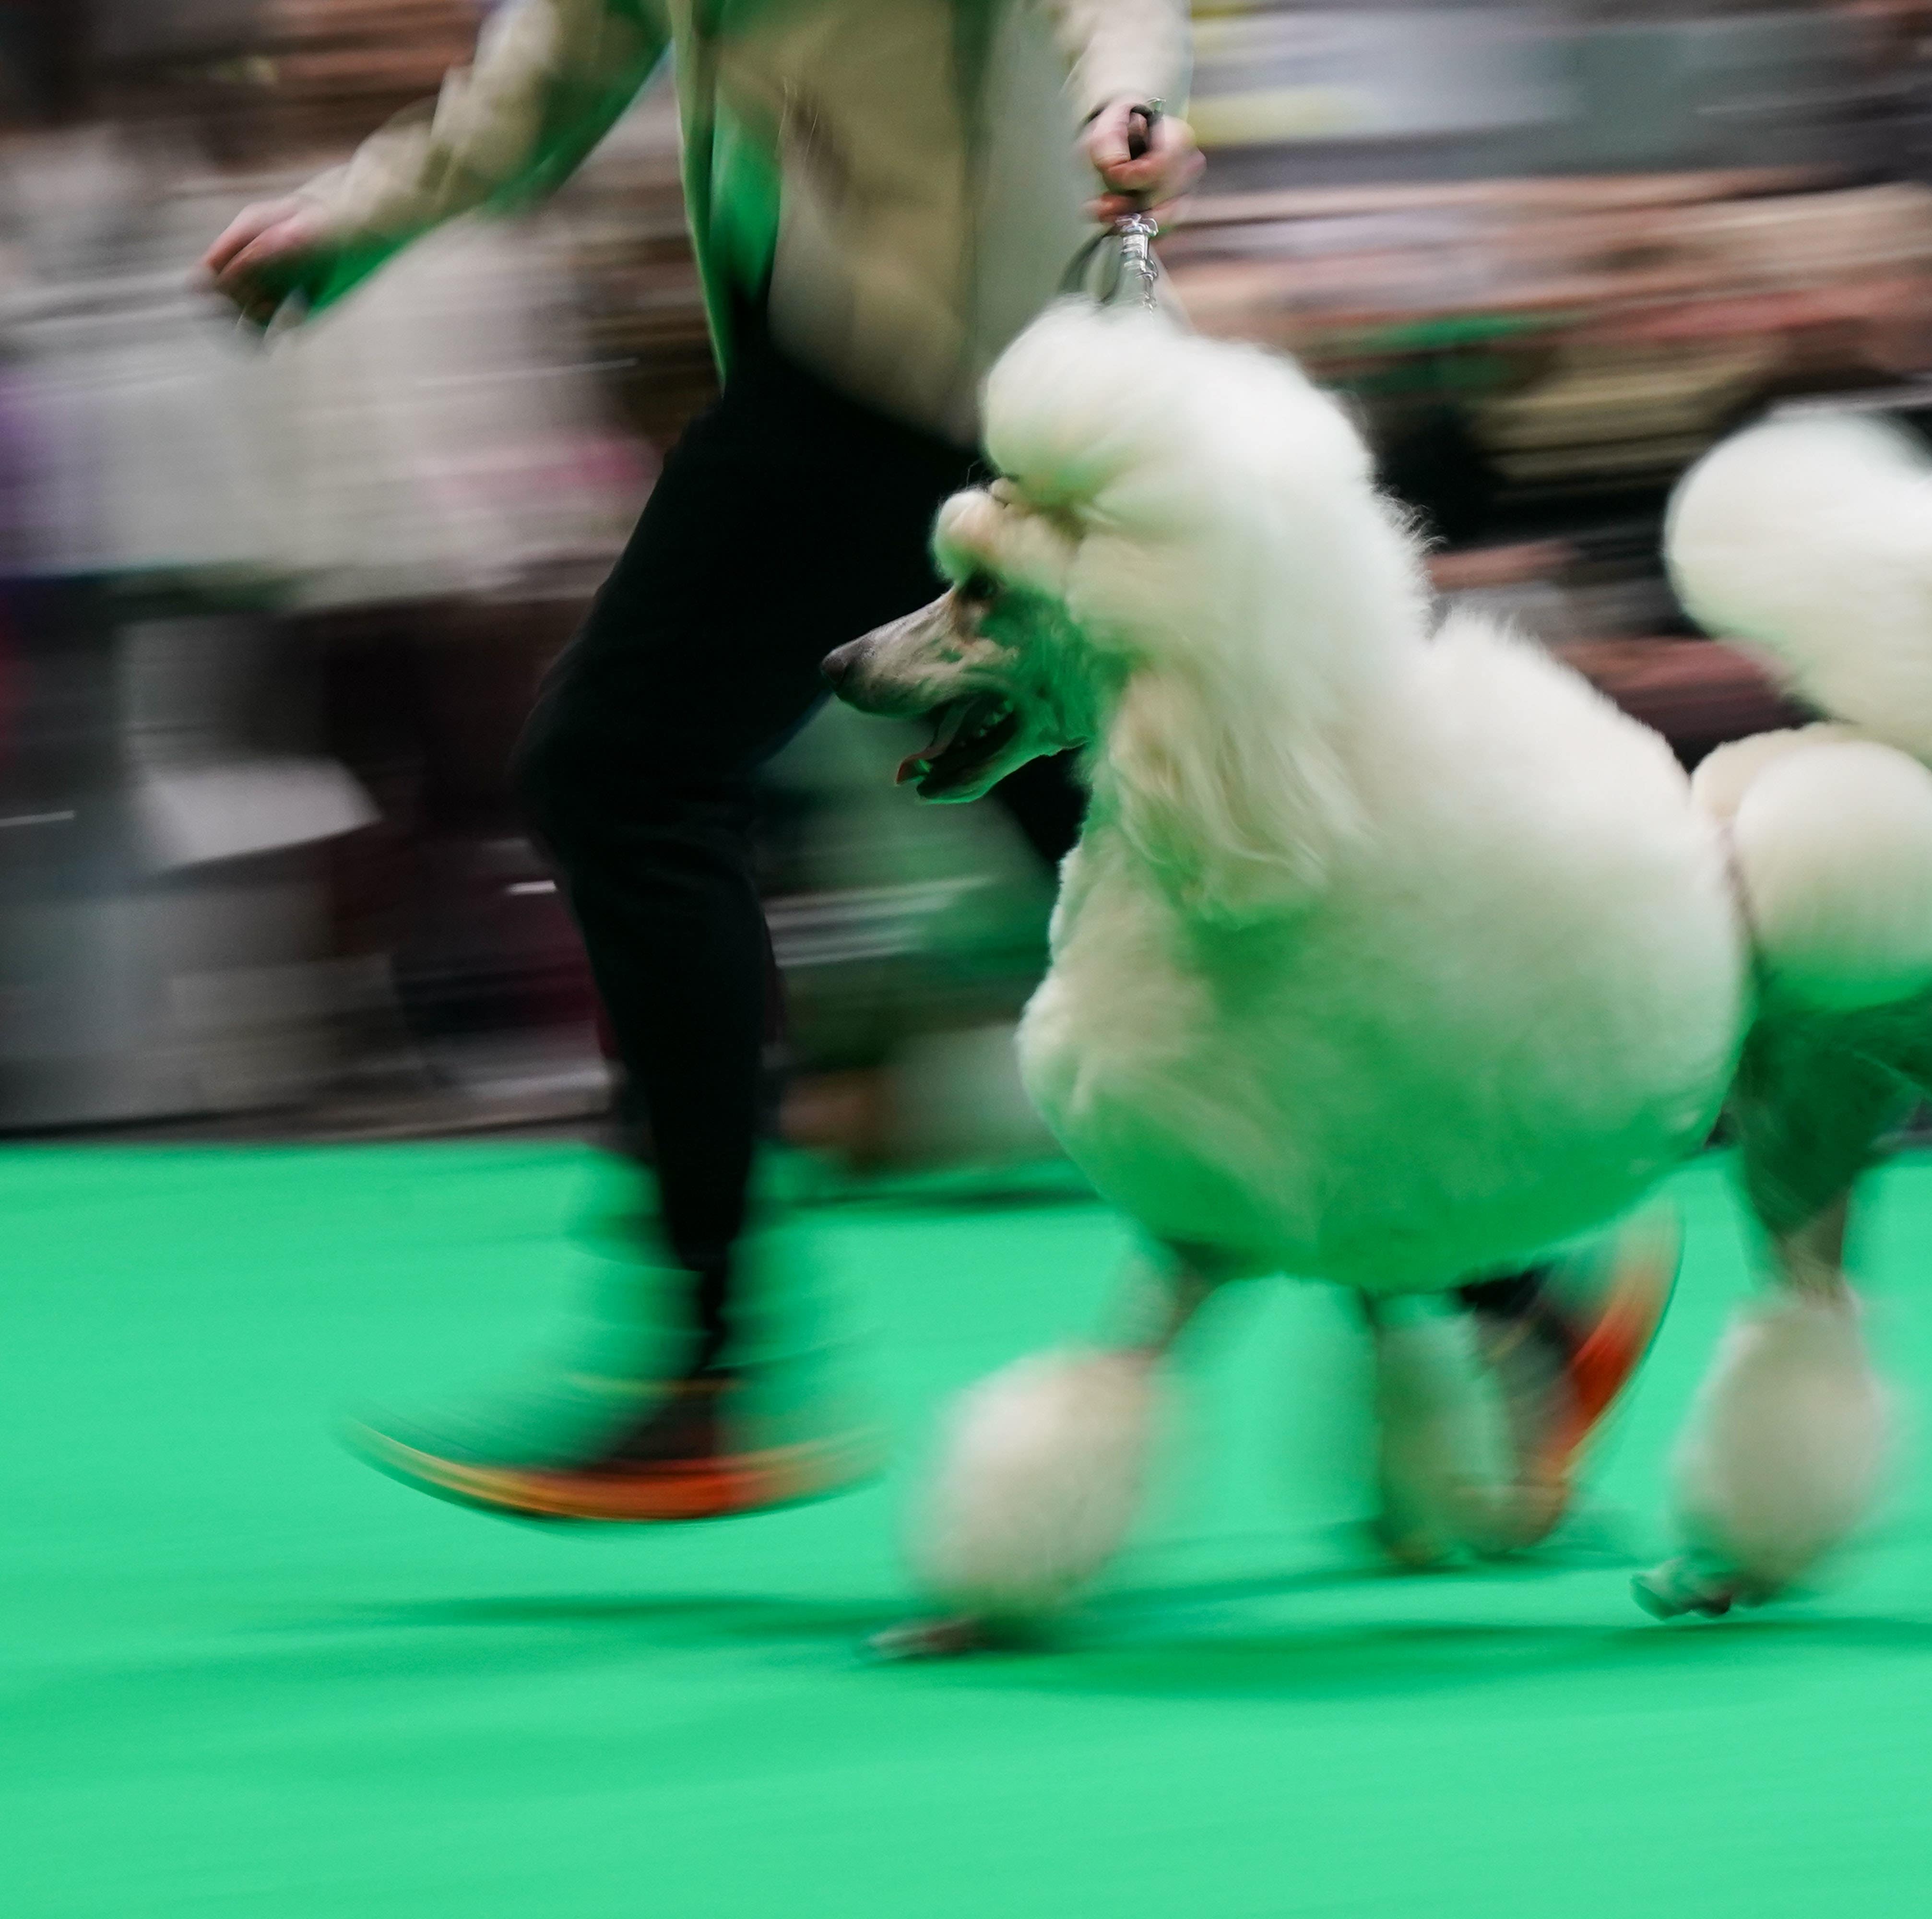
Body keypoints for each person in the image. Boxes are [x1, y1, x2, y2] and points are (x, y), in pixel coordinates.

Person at [199, 0, 1669, 1526]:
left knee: (619, 777)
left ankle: (709, 1367)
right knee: (1166, 887)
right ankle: (1526, 1295)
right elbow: (542, 84)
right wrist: (345, 226)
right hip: (883, 379)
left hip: (916, 390)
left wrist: (1128, 99)